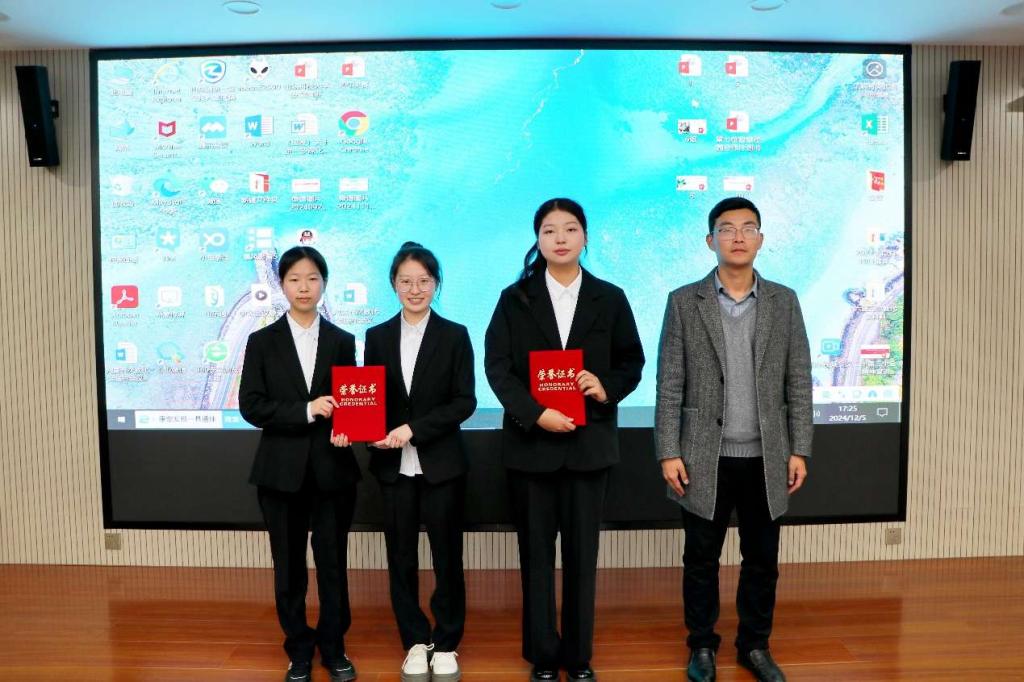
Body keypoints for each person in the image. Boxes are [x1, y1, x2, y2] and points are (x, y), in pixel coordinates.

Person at [485, 198, 645, 682]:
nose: (560, 238)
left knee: (581, 558)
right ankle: (542, 655)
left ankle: (578, 656)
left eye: (570, 229)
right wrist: (536, 414)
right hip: (532, 448)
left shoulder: (610, 298)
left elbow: (632, 362)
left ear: (585, 237)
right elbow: (498, 368)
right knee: (535, 557)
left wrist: (605, 387)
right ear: (537, 239)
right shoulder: (514, 299)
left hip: (588, 448)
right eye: (550, 230)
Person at [654, 197, 813, 682]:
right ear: (711, 241)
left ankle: (755, 646)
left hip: (767, 455)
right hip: (704, 456)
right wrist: (668, 451)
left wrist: (800, 447)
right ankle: (702, 645)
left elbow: (799, 379)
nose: (738, 237)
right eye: (727, 228)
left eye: (748, 228)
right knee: (700, 559)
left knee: (762, 560)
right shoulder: (684, 301)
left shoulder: (784, 301)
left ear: (761, 239)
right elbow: (670, 382)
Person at [239, 246, 360, 682]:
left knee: (332, 564)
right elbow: (251, 406)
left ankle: (334, 647)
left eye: (312, 278)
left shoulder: (343, 341)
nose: (304, 287)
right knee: (288, 566)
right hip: (279, 472)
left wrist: (348, 426)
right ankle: (299, 649)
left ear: (323, 283)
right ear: (282, 284)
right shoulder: (262, 341)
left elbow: (352, 402)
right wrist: (306, 410)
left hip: (333, 469)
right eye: (294, 279)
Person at [364, 242, 477, 682]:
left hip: (441, 465)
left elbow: (464, 401)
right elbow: (371, 399)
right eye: (406, 281)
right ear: (394, 284)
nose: (415, 289)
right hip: (393, 468)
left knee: (447, 556)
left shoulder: (455, 335)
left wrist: (414, 429)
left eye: (424, 281)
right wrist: (367, 429)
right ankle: (414, 639)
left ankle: (446, 642)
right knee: (400, 557)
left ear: (436, 284)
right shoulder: (376, 337)